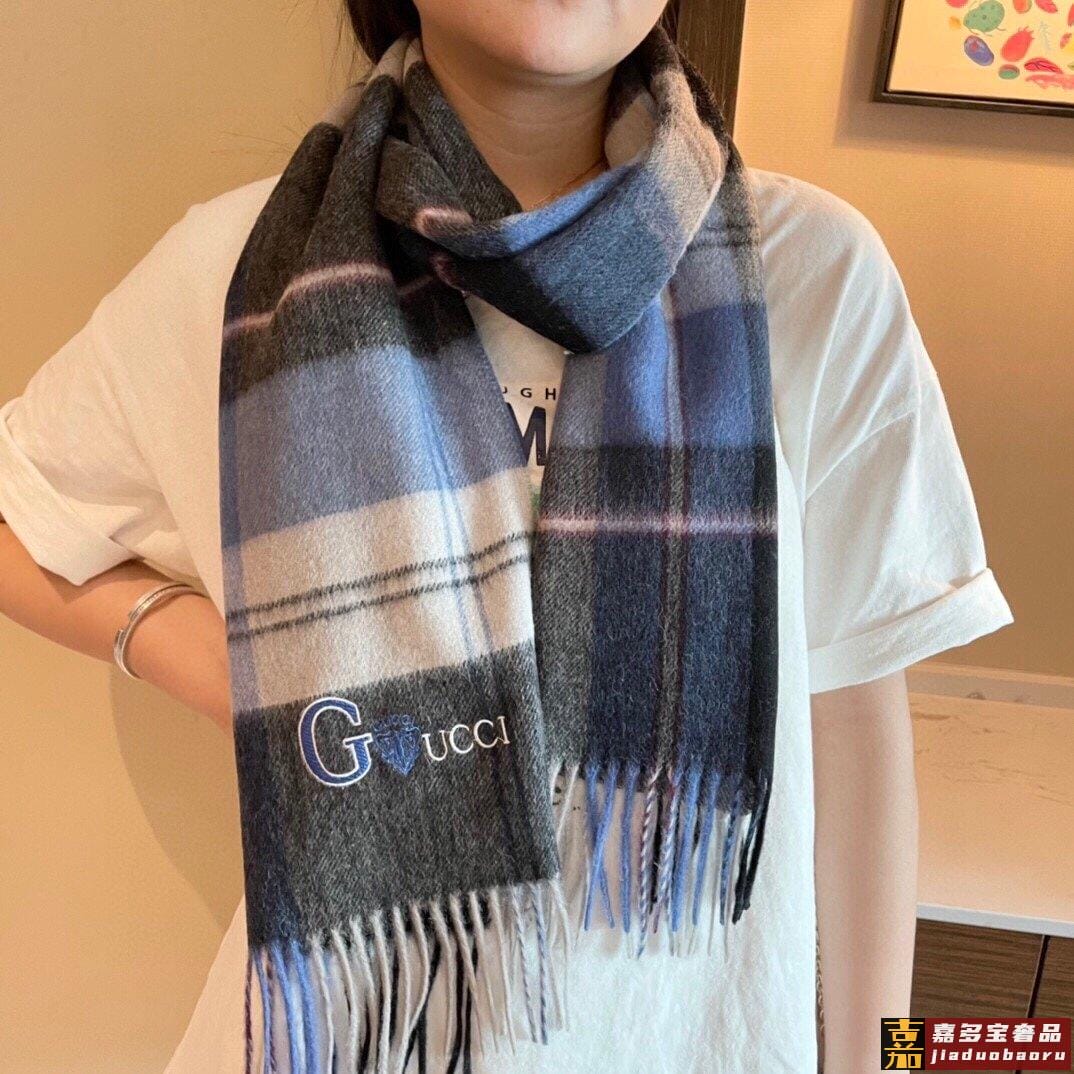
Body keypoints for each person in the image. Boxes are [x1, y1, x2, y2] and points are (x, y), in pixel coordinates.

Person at [0, 1, 1013, 1072]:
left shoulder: (808, 269)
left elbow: (850, 716)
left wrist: (890, 1061)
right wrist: (218, 664)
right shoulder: (247, 276)